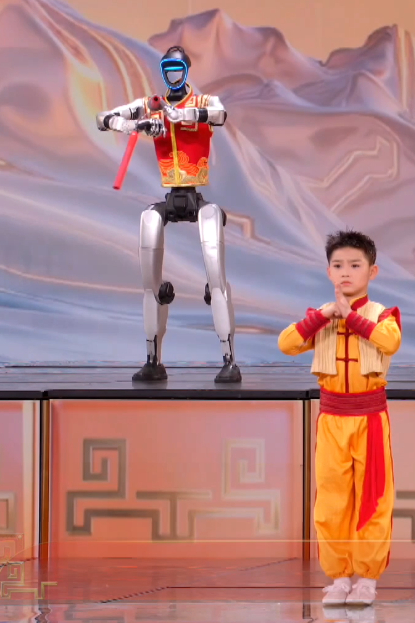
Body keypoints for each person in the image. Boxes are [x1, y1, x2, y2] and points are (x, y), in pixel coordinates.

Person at [97, 45, 240, 383]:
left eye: (177, 68)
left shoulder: (202, 101)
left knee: (216, 277)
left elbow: (219, 114)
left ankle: (229, 358)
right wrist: (135, 125)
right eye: (167, 69)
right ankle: (152, 358)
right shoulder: (152, 104)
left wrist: (181, 116)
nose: (173, 74)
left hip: (197, 195)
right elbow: (102, 119)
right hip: (169, 195)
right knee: (149, 273)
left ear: (186, 70)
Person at [277, 231, 401, 606]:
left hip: (370, 418)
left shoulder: (383, 315)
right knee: (332, 500)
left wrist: (351, 317)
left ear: (372, 271)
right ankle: (340, 576)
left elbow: (389, 342)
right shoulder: (320, 316)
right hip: (332, 418)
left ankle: (368, 578)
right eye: (338, 265)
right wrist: (325, 316)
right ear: (328, 272)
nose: (346, 272)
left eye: (355, 265)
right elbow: (286, 344)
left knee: (373, 498)